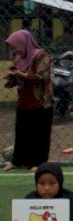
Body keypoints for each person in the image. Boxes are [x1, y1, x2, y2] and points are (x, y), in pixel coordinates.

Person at [3, 30, 54, 172]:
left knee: (40, 134)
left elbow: (41, 77)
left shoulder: (42, 56)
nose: (14, 50)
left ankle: (39, 162)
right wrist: (10, 77)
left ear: (23, 42)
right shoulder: (18, 59)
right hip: (24, 101)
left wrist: (20, 74)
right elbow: (12, 82)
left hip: (41, 102)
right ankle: (17, 161)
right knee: (22, 132)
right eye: (12, 48)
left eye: (15, 47)